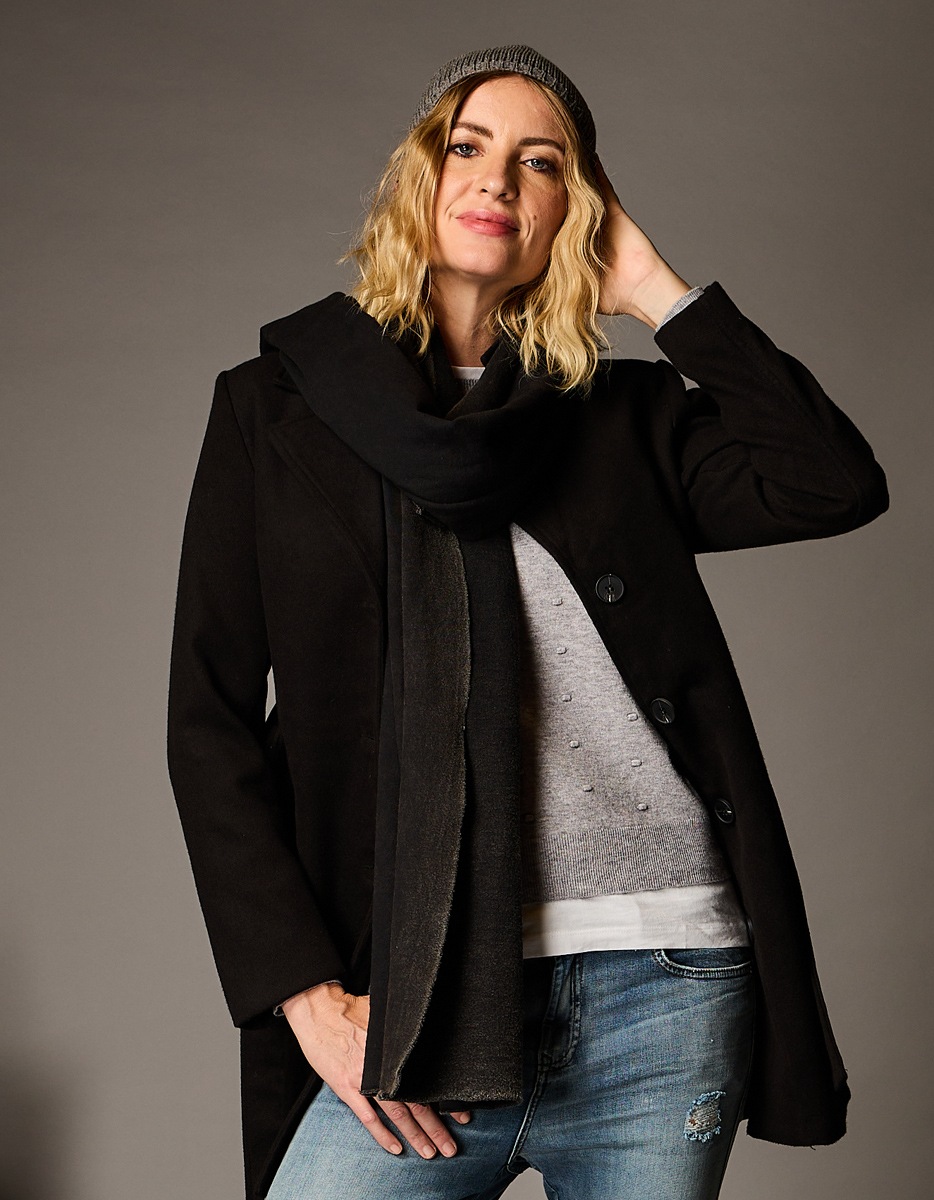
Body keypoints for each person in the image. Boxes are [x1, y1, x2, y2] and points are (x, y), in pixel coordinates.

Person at [167, 45, 888, 1200]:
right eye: (468, 146)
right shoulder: (272, 413)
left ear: (573, 211)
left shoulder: (620, 418)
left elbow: (832, 483)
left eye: (540, 162)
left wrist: (656, 291)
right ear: (421, 174)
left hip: (665, 984)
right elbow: (207, 724)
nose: (497, 178)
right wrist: (303, 995)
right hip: (418, 990)